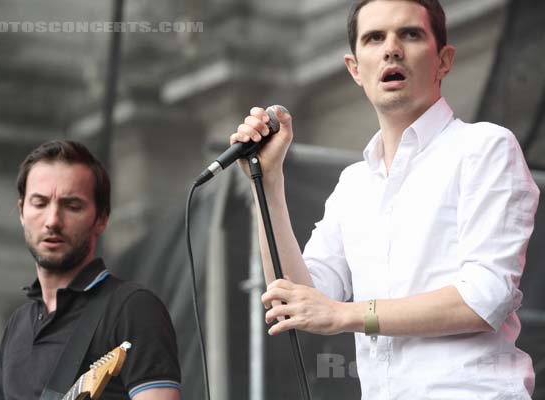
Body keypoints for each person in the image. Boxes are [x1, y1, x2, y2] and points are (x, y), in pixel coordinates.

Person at [230, 0, 539, 398]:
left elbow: (485, 297)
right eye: (374, 38)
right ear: (355, 69)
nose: (391, 48)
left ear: (444, 60)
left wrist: (346, 314)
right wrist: (267, 184)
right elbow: (299, 299)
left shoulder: (484, 147)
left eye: (410, 34)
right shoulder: (354, 184)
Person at [0, 140, 181, 400]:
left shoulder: (132, 309)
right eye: (40, 203)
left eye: (72, 206)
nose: (53, 221)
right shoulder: (17, 326)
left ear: (101, 218)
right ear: (22, 211)